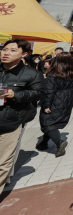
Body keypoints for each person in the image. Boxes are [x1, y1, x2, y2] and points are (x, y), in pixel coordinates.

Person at [0, 39, 45, 193]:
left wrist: (15, 95)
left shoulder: (32, 73)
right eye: (4, 49)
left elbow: (39, 93)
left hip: (10, 122)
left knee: (3, 163)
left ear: (24, 54)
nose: (6, 53)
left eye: (12, 50)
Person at [36, 53, 73, 157]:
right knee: (52, 122)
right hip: (68, 97)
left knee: (47, 122)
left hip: (56, 98)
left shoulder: (53, 73)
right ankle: (43, 143)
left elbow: (49, 91)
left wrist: (46, 105)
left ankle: (59, 143)